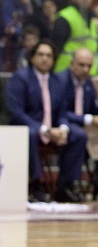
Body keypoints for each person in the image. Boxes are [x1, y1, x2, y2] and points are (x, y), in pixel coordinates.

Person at [5, 38, 87, 202]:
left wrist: (63, 128)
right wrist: (45, 130)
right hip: (29, 127)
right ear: (33, 57)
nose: (44, 58)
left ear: (53, 59)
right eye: (40, 54)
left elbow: (63, 111)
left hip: (53, 129)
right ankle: (36, 185)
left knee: (78, 135)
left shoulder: (57, 81)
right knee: (32, 134)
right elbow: (16, 112)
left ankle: (66, 185)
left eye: (49, 55)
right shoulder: (21, 78)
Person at [57, 48, 98, 198]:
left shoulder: (90, 84)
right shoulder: (60, 81)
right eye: (81, 65)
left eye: (89, 66)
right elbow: (60, 112)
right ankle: (69, 185)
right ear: (72, 64)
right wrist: (90, 119)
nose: (85, 69)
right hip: (63, 124)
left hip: (87, 129)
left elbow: (96, 112)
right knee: (79, 135)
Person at [52, 0, 98, 72]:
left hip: (89, 73)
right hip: (66, 73)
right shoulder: (65, 17)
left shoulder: (91, 18)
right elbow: (56, 47)